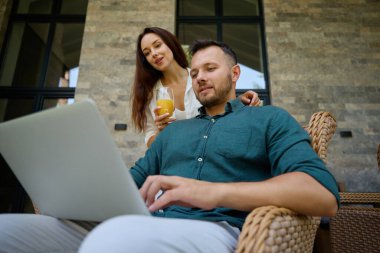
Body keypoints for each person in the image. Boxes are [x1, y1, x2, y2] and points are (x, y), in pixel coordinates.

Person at [0, 40, 339, 253]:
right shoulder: (173, 134)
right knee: (7, 229)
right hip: (146, 223)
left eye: (210, 69)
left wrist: (214, 192)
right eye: (194, 73)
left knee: (116, 239)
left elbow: (321, 194)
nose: (200, 77)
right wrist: (72, 190)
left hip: (219, 231)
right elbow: (130, 184)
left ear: (235, 73)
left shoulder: (268, 119)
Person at [131, 27, 260, 147]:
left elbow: (218, 107)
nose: (154, 53)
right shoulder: (150, 94)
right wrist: (161, 131)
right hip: (175, 159)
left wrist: (238, 101)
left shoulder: (200, 80)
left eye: (158, 45)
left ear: (170, 44)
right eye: (147, 53)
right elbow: (151, 144)